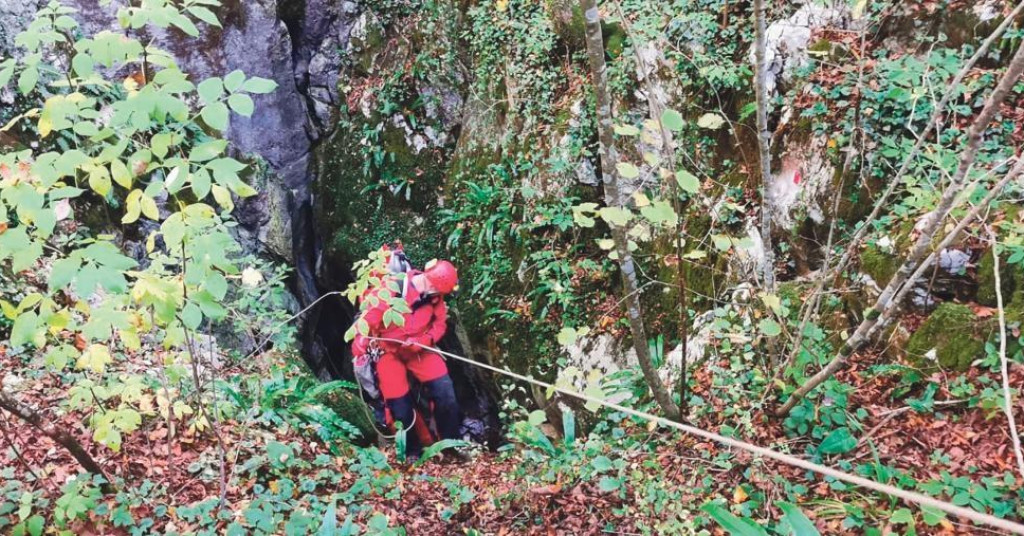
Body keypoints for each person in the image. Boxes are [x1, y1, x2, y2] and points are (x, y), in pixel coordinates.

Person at [351, 257, 462, 459]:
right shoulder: (391, 290)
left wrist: (425, 339)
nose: (440, 296)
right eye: (439, 291)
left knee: (445, 392)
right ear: (431, 283)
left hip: (419, 349)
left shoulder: (435, 298)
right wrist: (360, 346)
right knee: (399, 406)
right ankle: (412, 451)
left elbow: (439, 325)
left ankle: (449, 444)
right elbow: (367, 322)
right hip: (388, 352)